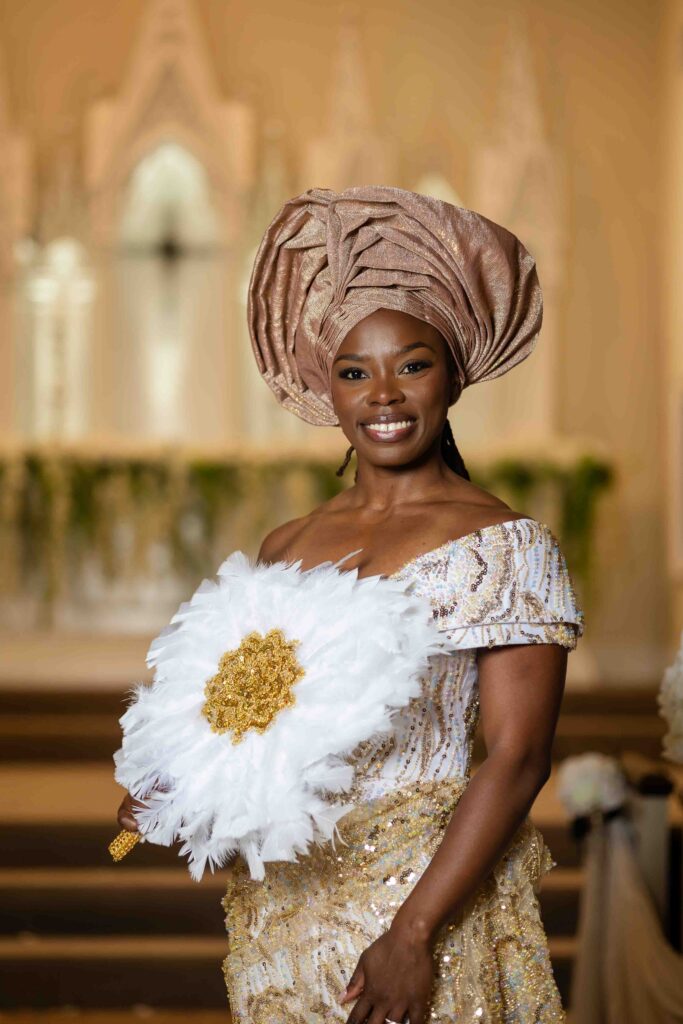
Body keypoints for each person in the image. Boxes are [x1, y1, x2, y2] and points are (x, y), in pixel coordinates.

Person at [118, 186, 583, 1023]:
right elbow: (260, 707)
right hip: (286, 908)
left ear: (452, 375)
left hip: (428, 897)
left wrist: (411, 936)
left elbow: (517, 759)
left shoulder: (507, 546)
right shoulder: (287, 545)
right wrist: (177, 778)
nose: (383, 394)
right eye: (353, 372)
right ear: (322, 390)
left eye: (411, 364)